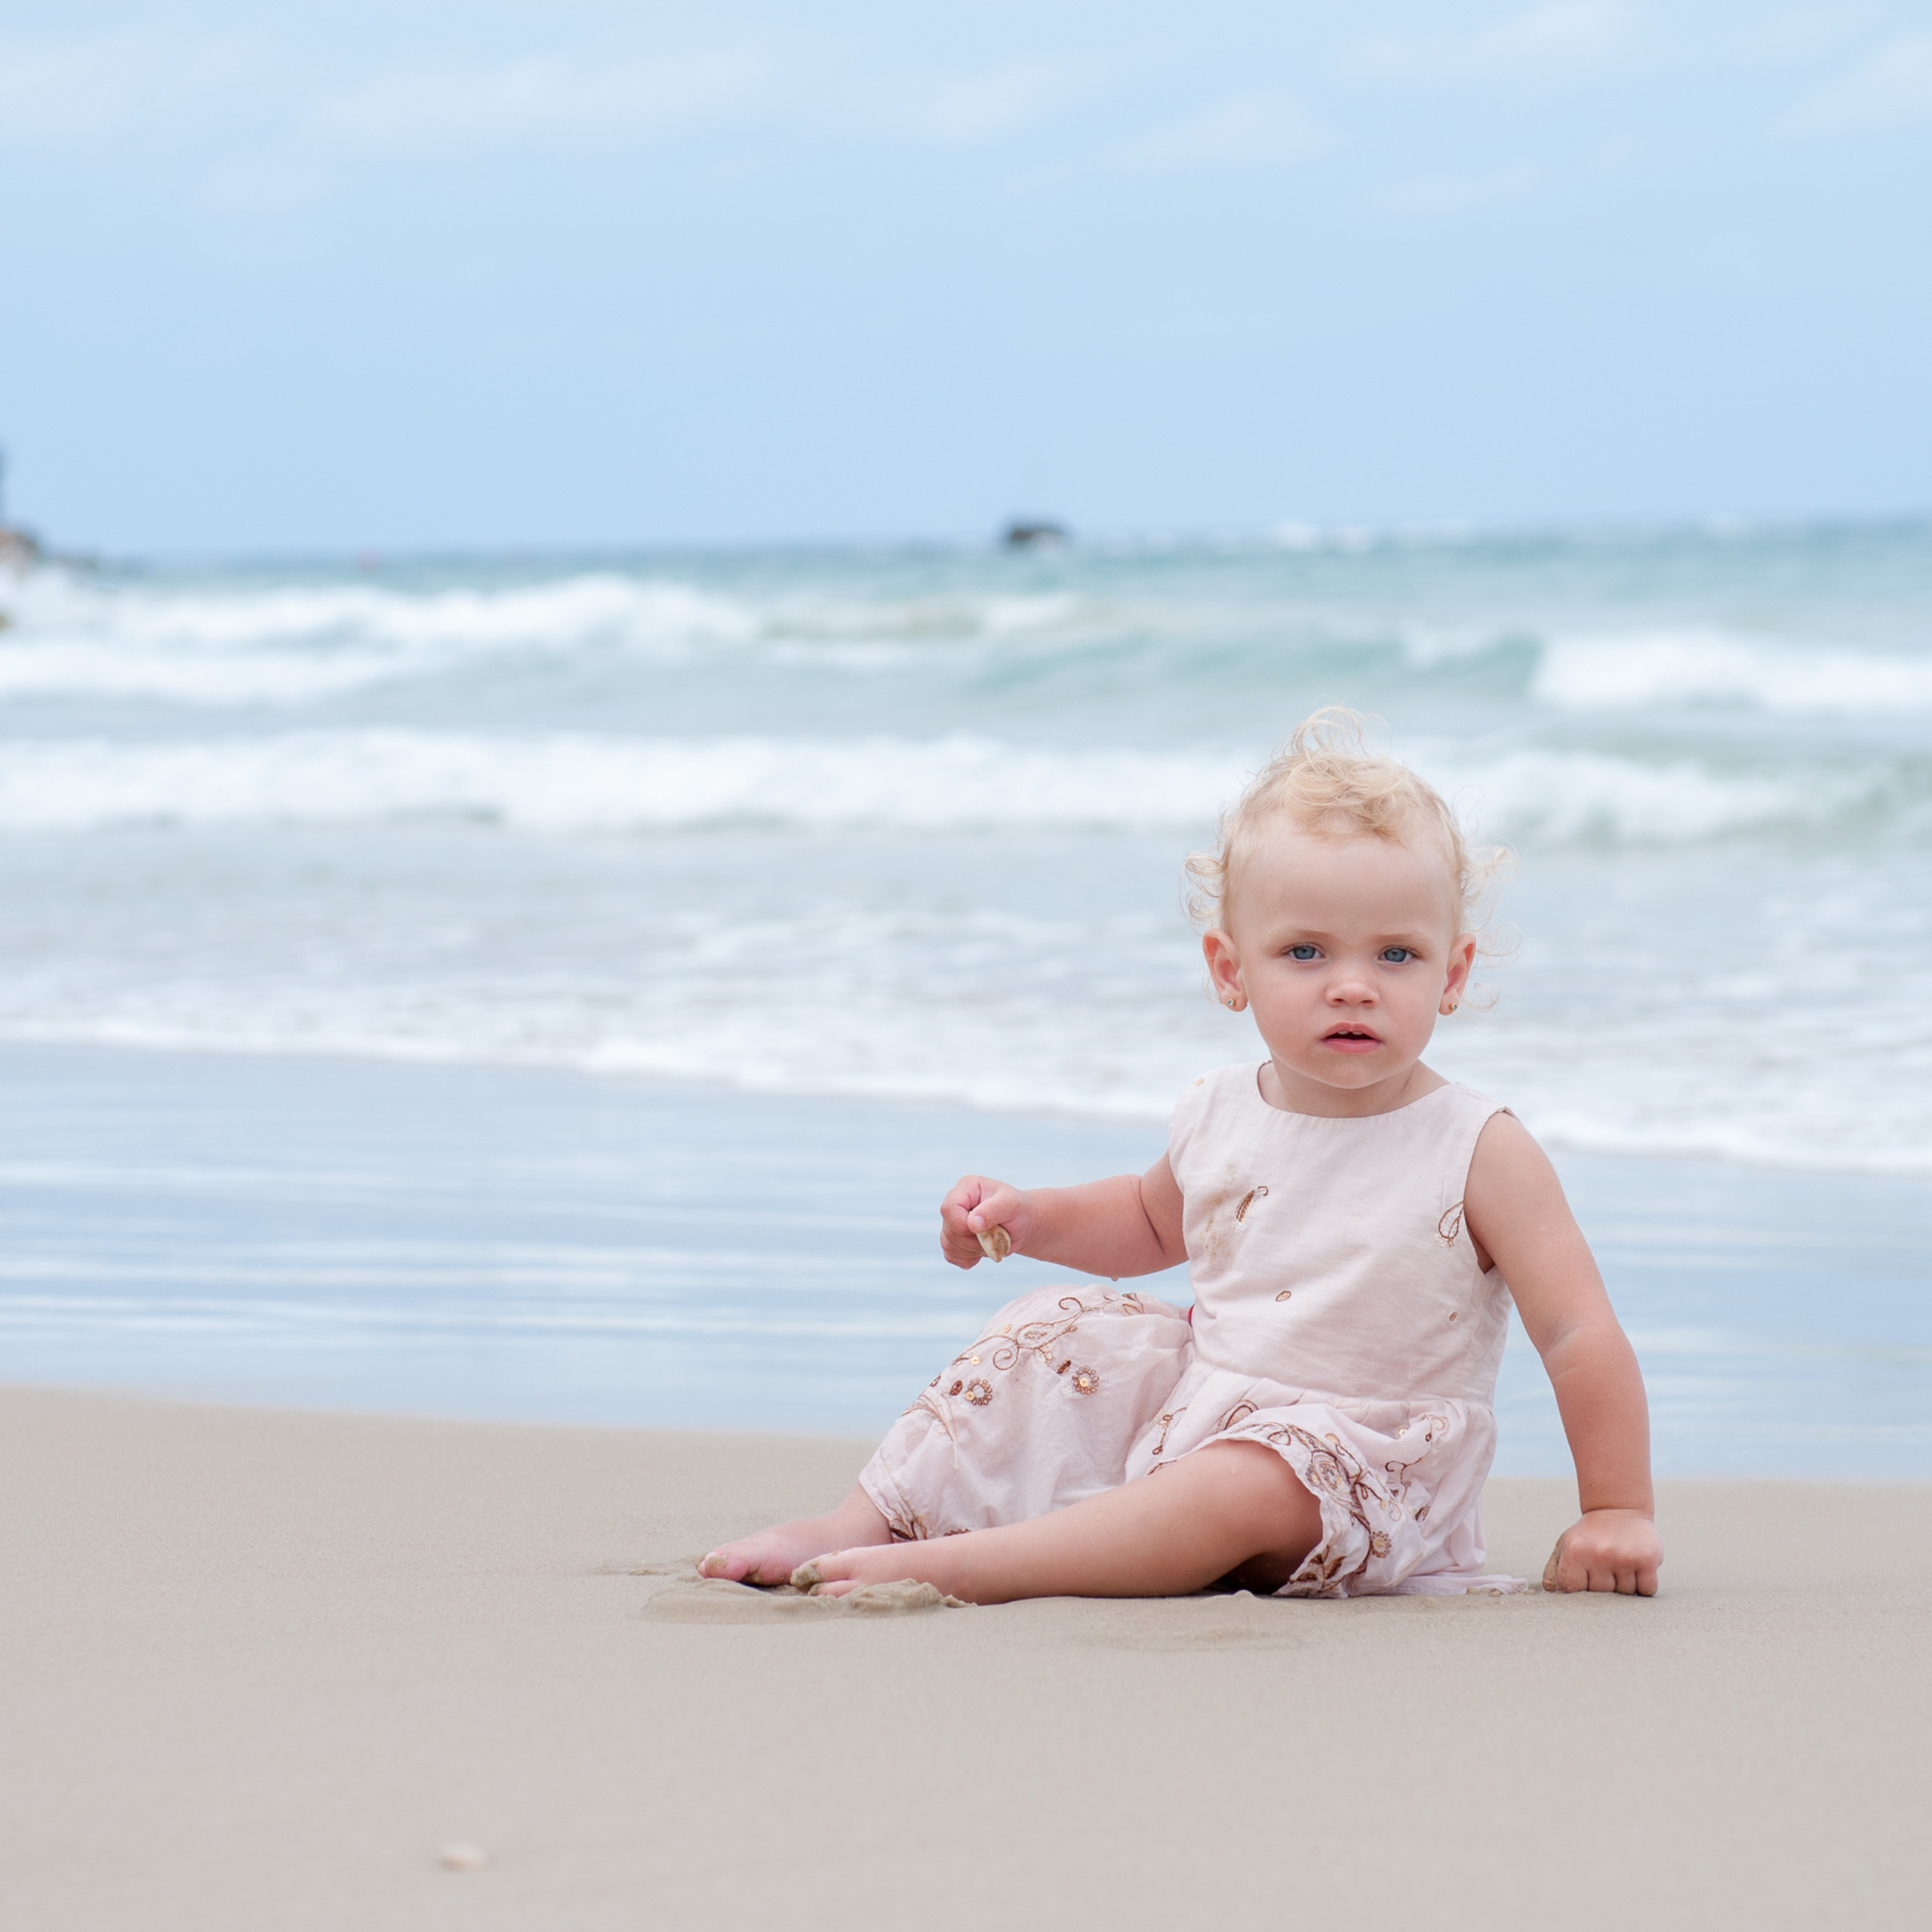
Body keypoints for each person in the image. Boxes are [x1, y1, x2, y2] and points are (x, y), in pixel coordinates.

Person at [701, 709, 1663, 1603]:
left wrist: (1616, 1509)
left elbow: (1577, 1332)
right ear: (1228, 969)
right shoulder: (1217, 1110)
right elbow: (1150, 1220)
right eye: (1305, 953)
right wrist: (1030, 1218)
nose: (1353, 988)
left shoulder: (1477, 1146)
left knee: (1243, 1487)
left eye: (1396, 956)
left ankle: (974, 1566)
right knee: (1049, 1327)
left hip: (1363, 1463)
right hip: (1207, 1408)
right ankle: (864, 1518)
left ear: (1452, 972)